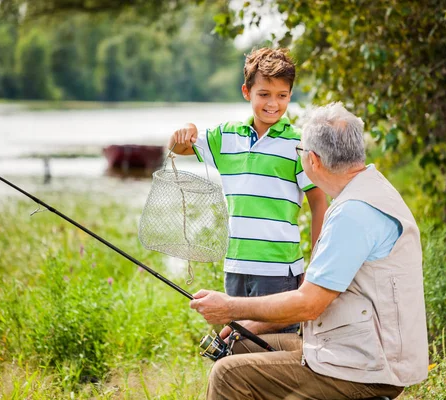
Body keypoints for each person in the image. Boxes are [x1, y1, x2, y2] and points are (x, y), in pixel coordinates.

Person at [190, 102, 429, 399]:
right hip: (352, 349)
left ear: (313, 160)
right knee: (239, 343)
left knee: (228, 375)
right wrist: (247, 325)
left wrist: (230, 307)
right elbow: (323, 297)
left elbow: (310, 305)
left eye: (300, 152)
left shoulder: (353, 214)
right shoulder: (369, 190)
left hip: (366, 366)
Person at [169, 48, 328, 334]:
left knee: (275, 349)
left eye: (282, 95)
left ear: (290, 95)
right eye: (264, 94)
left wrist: (315, 266)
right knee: (238, 346)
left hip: (279, 269)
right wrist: (187, 127)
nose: (273, 104)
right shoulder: (226, 136)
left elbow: (319, 203)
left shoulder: (299, 144)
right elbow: (179, 147)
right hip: (236, 265)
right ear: (247, 91)